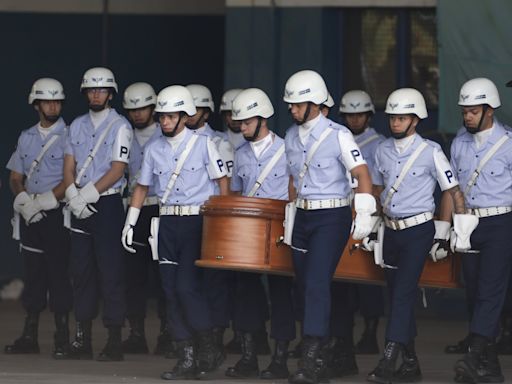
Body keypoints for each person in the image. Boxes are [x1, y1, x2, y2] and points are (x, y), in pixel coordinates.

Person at [122, 85, 228, 380]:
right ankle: (186, 357)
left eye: (171, 116)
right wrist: (131, 221)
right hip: (166, 223)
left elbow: (222, 183)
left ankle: (208, 343)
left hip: (197, 222)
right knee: (169, 291)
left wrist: (220, 221)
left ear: (184, 116)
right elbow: (142, 187)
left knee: (186, 287)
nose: (165, 122)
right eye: (162, 117)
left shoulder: (204, 143)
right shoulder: (154, 149)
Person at [284, 69, 375, 384]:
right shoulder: (291, 137)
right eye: (290, 105)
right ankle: (325, 345)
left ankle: (313, 356)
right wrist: (290, 214)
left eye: (297, 104)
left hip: (332, 217)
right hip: (304, 216)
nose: (292, 110)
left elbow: (362, 174)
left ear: (313, 103)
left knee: (317, 283)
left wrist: (363, 214)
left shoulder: (338, 134)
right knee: (301, 284)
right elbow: (293, 181)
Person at [368, 88, 464, 383]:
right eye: (392, 118)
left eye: (401, 118)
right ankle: (410, 363)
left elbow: (452, 192)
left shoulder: (431, 151)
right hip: (391, 231)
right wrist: (372, 225)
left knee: (403, 293)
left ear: (415, 119)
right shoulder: (381, 150)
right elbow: (375, 189)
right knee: (396, 294)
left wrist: (446, 231)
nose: (395, 123)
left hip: (418, 230)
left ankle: (388, 358)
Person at [225, 88, 296, 380]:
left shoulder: (286, 149)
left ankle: (279, 359)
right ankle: (249, 355)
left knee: (282, 293)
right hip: (248, 232)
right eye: (239, 122)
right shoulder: (239, 154)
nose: (241, 127)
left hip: (278, 228)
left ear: (263, 118)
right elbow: (236, 193)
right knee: (246, 292)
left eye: (246, 122)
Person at [444, 78, 512, 383]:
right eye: (464, 112)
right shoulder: (459, 143)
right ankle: (491, 366)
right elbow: (451, 188)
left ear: (489, 110)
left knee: (491, 291)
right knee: (473, 291)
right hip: (468, 223)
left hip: (501, 223)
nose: (467, 117)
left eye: (473, 111)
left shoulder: (509, 143)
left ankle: (472, 357)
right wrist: (442, 229)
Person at [63, 67, 133, 361]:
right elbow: (68, 166)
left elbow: (118, 169)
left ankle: (114, 338)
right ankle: (83, 338)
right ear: (85, 93)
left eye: (101, 90)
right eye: (91, 90)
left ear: (110, 94)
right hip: (78, 203)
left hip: (106, 204)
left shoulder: (121, 126)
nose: (96, 94)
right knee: (81, 271)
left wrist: (88, 195)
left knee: (110, 271)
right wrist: (71, 195)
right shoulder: (76, 125)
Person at [5, 78, 72, 359]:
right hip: (30, 214)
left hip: (56, 214)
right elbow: (15, 176)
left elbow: (72, 176)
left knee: (58, 274)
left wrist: (49, 199)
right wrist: (22, 198)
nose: (53, 105)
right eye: (47, 101)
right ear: (36, 105)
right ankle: (29, 335)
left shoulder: (71, 134)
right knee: (33, 275)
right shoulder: (26, 137)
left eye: (57, 101)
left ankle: (62, 337)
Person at [121, 82, 172, 356]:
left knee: (162, 275)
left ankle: (166, 333)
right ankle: (136, 333)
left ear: (153, 108)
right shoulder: (123, 134)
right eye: (132, 109)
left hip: (159, 209)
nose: (138, 114)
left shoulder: (165, 136)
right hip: (133, 209)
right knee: (133, 276)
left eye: (142, 108)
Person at [338, 90, 386, 356]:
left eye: (359, 114)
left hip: (367, 214)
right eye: (350, 114)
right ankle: (343, 334)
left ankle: (370, 333)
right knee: (342, 277)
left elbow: (379, 185)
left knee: (368, 278)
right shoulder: (338, 138)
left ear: (369, 115)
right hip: (339, 213)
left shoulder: (378, 144)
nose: (354, 119)